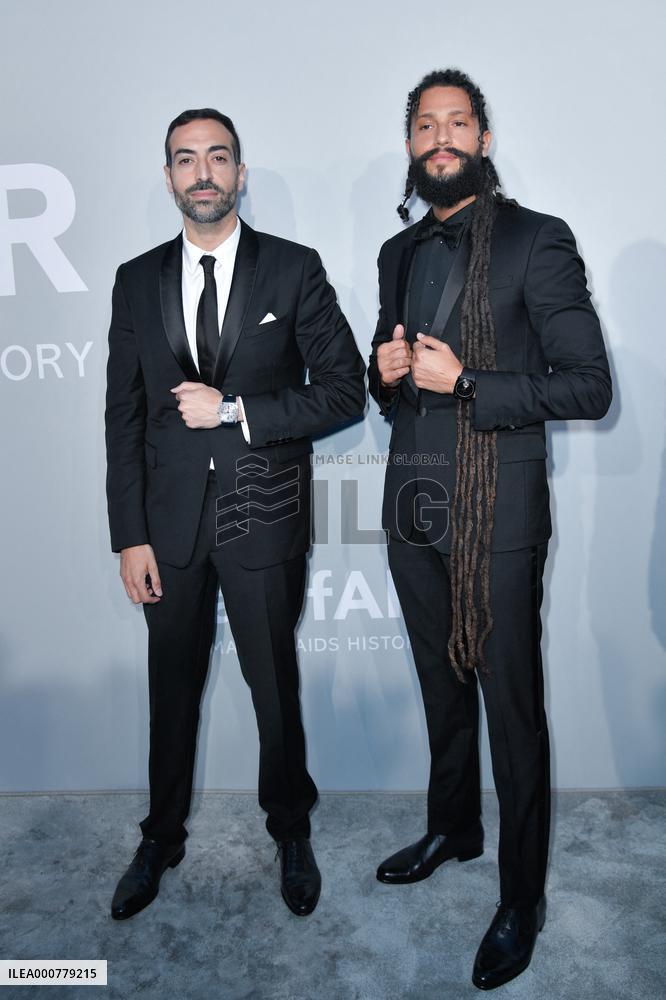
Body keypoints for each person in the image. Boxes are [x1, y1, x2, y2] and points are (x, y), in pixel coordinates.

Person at [368, 69, 611, 989]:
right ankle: (454, 827)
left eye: (456, 122)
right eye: (425, 125)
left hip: (500, 514)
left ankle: (522, 898)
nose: (441, 137)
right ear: (410, 146)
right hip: (413, 504)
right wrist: (383, 370)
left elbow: (588, 385)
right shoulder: (397, 252)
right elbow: (390, 391)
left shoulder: (535, 240)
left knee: (511, 708)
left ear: (484, 135)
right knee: (440, 687)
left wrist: (468, 382)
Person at [105, 107, 365, 921]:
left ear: (241, 173)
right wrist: (129, 535)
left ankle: (290, 829)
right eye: (187, 159)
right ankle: (162, 836)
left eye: (218, 157)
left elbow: (344, 390)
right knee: (170, 689)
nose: (204, 172)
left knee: (272, 688)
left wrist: (233, 411)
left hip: (264, 516)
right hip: (168, 527)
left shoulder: (292, 270)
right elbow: (123, 416)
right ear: (170, 177)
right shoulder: (134, 279)